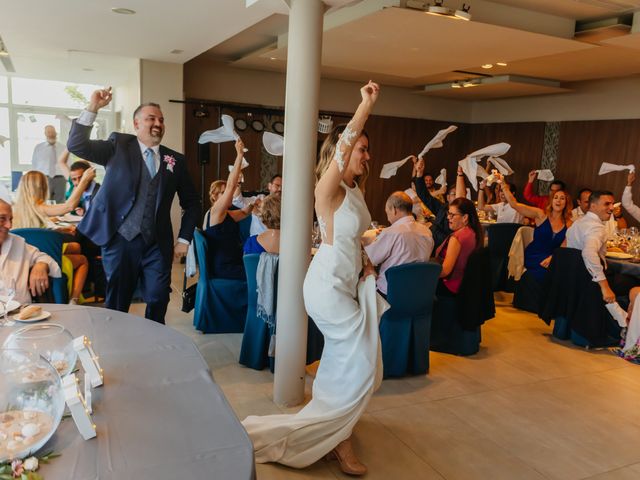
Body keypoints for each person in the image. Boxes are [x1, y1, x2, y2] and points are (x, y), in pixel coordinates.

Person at [243, 81, 384, 476]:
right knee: (358, 363)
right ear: (342, 153)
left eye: (367, 148)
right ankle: (338, 438)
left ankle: (334, 430)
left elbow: (351, 237)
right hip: (326, 288)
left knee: (348, 363)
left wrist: (366, 260)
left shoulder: (354, 192)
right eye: (361, 147)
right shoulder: (329, 189)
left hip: (345, 283)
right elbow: (342, 148)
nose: (366, 154)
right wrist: (364, 107)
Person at [66, 87, 200, 324]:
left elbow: (192, 203)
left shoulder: (175, 160)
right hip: (119, 240)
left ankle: (154, 342)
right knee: (117, 301)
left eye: (161, 119)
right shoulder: (118, 144)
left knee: (158, 298)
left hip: (156, 244)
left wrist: (183, 239)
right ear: (136, 124)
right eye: (151, 118)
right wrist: (93, 107)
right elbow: (77, 145)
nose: (157, 123)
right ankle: (117, 344)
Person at [12, 170, 95, 304]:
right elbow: (69, 206)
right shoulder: (40, 207)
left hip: (23, 258)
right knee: (82, 258)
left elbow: (32, 232)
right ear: (42, 187)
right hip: (44, 257)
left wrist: (59, 229)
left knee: (76, 247)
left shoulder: (13, 209)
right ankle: (73, 299)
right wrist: (84, 180)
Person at [567, 190, 637, 302]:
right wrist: (605, 287)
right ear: (593, 206)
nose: (612, 208)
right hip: (590, 281)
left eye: (612, 204)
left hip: (574, 277)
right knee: (634, 281)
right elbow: (588, 253)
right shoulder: (596, 227)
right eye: (607, 204)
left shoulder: (578, 223)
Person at [500, 177, 572, 283]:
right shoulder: (540, 215)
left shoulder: (569, 224)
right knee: (543, 275)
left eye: (562, 198)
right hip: (533, 256)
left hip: (551, 259)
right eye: (556, 197)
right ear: (551, 201)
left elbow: (563, 247)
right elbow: (514, 204)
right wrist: (503, 184)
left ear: (566, 203)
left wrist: (552, 258)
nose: (558, 200)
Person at [363, 191, 433, 296]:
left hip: (390, 293)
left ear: (394, 210)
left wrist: (368, 264)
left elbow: (373, 258)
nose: (388, 218)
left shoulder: (392, 232)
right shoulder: (427, 231)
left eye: (387, 212)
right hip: (419, 292)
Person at [204, 140, 254, 278]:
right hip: (226, 268)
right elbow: (231, 186)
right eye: (223, 192)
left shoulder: (226, 213)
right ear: (214, 197)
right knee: (261, 272)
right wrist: (239, 155)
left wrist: (255, 204)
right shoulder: (216, 212)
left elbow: (244, 212)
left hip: (233, 263)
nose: (228, 194)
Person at [0, 200, 61, 304]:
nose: (9, 225)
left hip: (23, 315)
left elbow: (51, 263)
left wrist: (41, 265)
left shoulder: (17, 242)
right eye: (2, 218)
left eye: (11, 219)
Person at [413, 157, 466, 248]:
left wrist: (460, 174)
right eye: (454, 194)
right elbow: (424, 195)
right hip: (429, 245)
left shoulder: (462, 216)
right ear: (448, 197)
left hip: (442, 251)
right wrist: (419, 174)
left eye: (459, 194)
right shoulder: (442, 208)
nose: (457, 197)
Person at [435, 197, 483, 295]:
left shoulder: (457, 238)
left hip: (451, 287)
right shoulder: (474, 232)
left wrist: (424, 274)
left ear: (465, 217)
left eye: (452, 215)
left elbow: (445, 271)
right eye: (448, 213)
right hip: (467, 285)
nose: (448, 217)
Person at [58, 149, 101, 216]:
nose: (78, 182)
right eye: (74, 179)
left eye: (81, 177)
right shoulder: (75, 183)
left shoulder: (99, 192)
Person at [31, 125, 67, 203]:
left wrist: (68, 178)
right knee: (43, 201)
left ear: (56, 133)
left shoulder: (63, 147)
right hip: (44, 178)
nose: (51, 134)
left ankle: (61, 216)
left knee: (60, 203)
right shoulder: (38, 147)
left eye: (53, 132)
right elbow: (34, 164)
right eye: (49, 132)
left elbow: (68, 164)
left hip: (60, 178)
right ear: (45, 134)